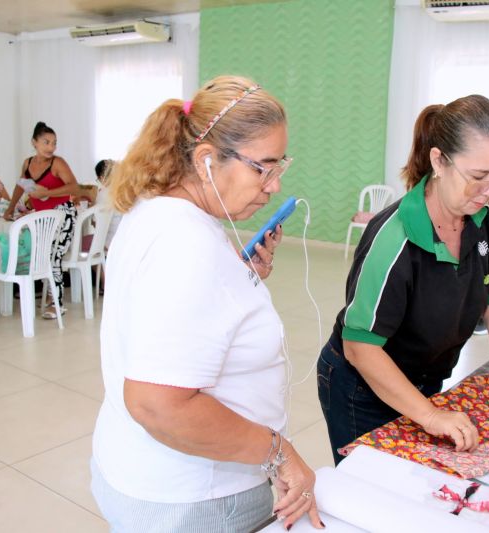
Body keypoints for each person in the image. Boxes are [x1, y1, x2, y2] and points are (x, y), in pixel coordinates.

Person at [91, 76, 323, 532]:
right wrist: (279, 452)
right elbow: (159, 405)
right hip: (195, 493)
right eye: (264, 167)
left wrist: (237, 279)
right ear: (206, 159)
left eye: (281, 166)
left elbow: (169, 313)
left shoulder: (155, 211)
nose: (274, 185)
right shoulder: (189, 245)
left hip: (136, 469)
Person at [317, 96, 489, 465]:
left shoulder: (487, 226)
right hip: (363, 388)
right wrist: (430, 416)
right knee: (371, 492)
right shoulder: (395, 237)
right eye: (478, 177)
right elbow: (361, 346)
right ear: (439, 161)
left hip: (424, 377)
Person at [3, 122, 80, 319]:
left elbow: (74, 188)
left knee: (54, 256)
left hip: (62, 214)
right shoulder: (28, 163)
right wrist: (11, 208)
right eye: (46, 142)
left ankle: (57, 303)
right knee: (42, 255)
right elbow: (21, 185)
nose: (51, 147)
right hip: (41, 218)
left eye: (54, 143)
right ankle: (49, 294)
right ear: (34, 143)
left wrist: (47, 192)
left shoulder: (58, 163)